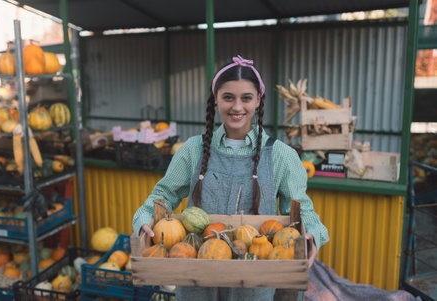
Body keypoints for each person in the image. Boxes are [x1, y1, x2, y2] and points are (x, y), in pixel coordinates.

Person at [132, 55, 329, 301]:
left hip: (255, 283)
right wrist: (144, 220)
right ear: (216, 99)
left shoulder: (280, 155)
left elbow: (299, 208)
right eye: (228, 97)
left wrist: (311, 233)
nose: (237, 107)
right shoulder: (193, 149)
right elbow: (164, 195)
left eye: (246, 98)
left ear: (258, 100)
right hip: (196, 276)